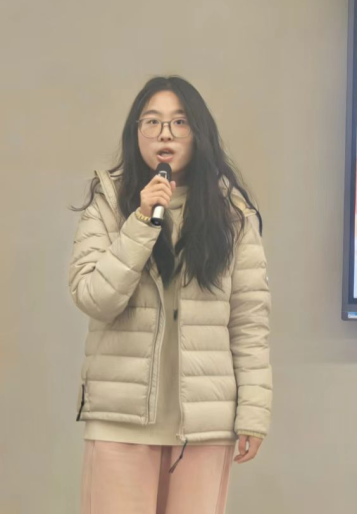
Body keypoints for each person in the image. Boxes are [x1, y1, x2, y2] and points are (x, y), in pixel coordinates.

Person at [70, 76, 271, 513]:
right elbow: (94, 298)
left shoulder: (232, 214)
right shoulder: (107, 203)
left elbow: (249, 320)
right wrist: (142, 221)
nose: (166, 134)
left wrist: (253, 412)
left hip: (203, 426)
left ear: (199, 133)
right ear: (135, 132)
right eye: (153, 122)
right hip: (121, 422)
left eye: (180, 122)